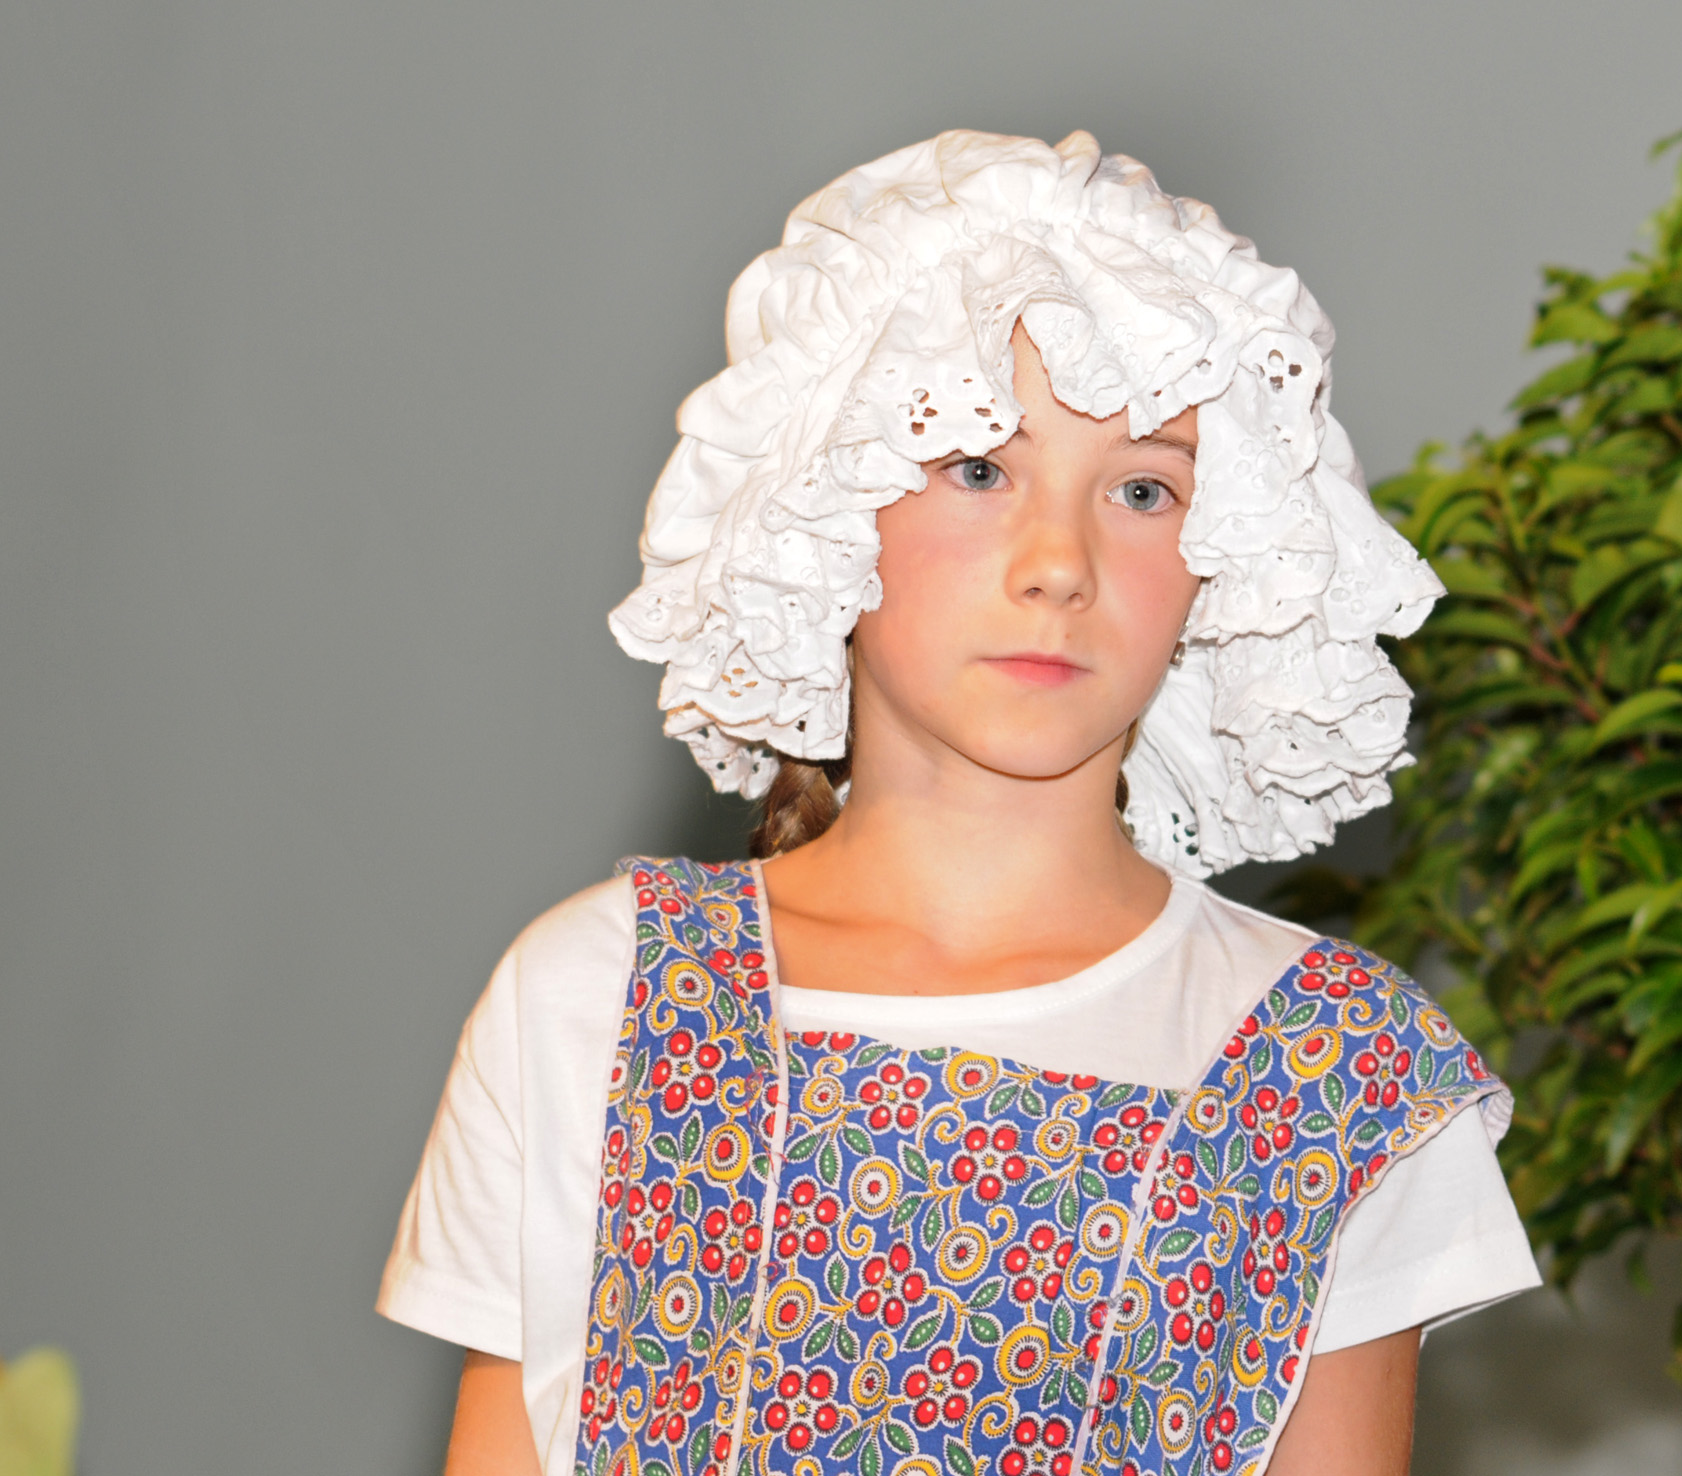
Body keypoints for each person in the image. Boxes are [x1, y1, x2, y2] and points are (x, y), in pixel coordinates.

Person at [379, 130, 1540, 1476]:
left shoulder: (1337, 1071)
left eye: (1145, 490)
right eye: (979, 467)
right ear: (827, 506)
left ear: (1228, 555)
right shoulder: (600, 993)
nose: (1059, 562)